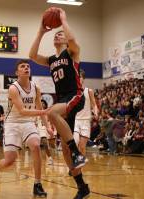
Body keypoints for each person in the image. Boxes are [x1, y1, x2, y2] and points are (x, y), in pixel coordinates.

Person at [29, 7, 89, 198]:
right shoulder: (52, 59)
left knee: (52, 112)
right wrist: (40, 31)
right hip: (63, 99)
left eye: (60, 34)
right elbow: (32, 56)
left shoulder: (72, 52)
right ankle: (82, 187)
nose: (58, 36)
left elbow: (71, 40)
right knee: (64, 151)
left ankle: (76, 151)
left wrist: (63, 19)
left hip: (75, 95)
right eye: (56, 35)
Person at [0, 60, 50, 197]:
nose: (26, 68)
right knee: (10, 160)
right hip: (12, 123)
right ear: (17, 72)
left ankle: (37, 184)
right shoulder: (13, 88)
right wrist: (43, 113)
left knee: (36, 146)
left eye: (28, 66)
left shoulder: (36, 88)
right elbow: (22, 110)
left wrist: (47, 126)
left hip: (28, 122)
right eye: (22, 66)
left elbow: (39, 107)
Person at [74, 69, 98, 155]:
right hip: (75, 121)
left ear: (83, 78)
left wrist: (95, 112)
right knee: (75, 142)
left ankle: (80, 167)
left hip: (86, 121)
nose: (78, 78)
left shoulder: (89, 91)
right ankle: (74, 164)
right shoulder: (72, 91)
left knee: (82, 146)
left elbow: (94, 105)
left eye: (79, 77)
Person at [37, 99, 54, 165]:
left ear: (45, 104)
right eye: (40, 103)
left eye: (43, 103)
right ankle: (48, 158)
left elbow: (51, 121)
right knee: (42, 143)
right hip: (39, 129)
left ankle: (50, 157)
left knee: (49, 144)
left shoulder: (48, 112)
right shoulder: (36, 112)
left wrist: (52, 128)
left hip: (46, 129)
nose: (42, 104)